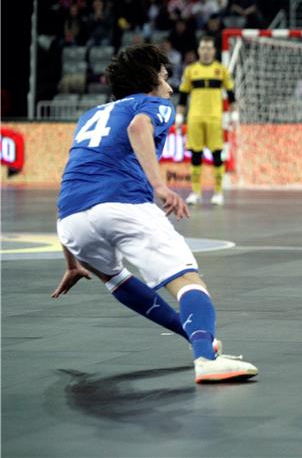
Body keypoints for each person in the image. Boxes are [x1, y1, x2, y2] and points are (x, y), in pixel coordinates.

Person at [51, 44, 257, 383]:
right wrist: (160, 186)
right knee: (189, 281)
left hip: (70, 220)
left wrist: (72, 260)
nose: (170, 88)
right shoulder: (154, 104)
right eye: (164, 78)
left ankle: (199, 339)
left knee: (114, 277)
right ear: (150, 80)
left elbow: (73, 177)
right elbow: (138, 128)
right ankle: (205, 359)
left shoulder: (89, 116)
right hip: (123, 205)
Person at [175, 35, 237, 206]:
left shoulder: (221, 70)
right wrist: (179, 117)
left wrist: (234, 116)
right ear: (198, 50)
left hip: (215, 118)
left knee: (217, 154)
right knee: (196, 155)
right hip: (195, 117)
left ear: (214, 50)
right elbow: (183, 96)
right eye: (203, 48)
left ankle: (218, 191)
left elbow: (231, 96)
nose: (206, 51)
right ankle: (196, 192)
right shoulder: (191, 70)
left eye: (209, 48)